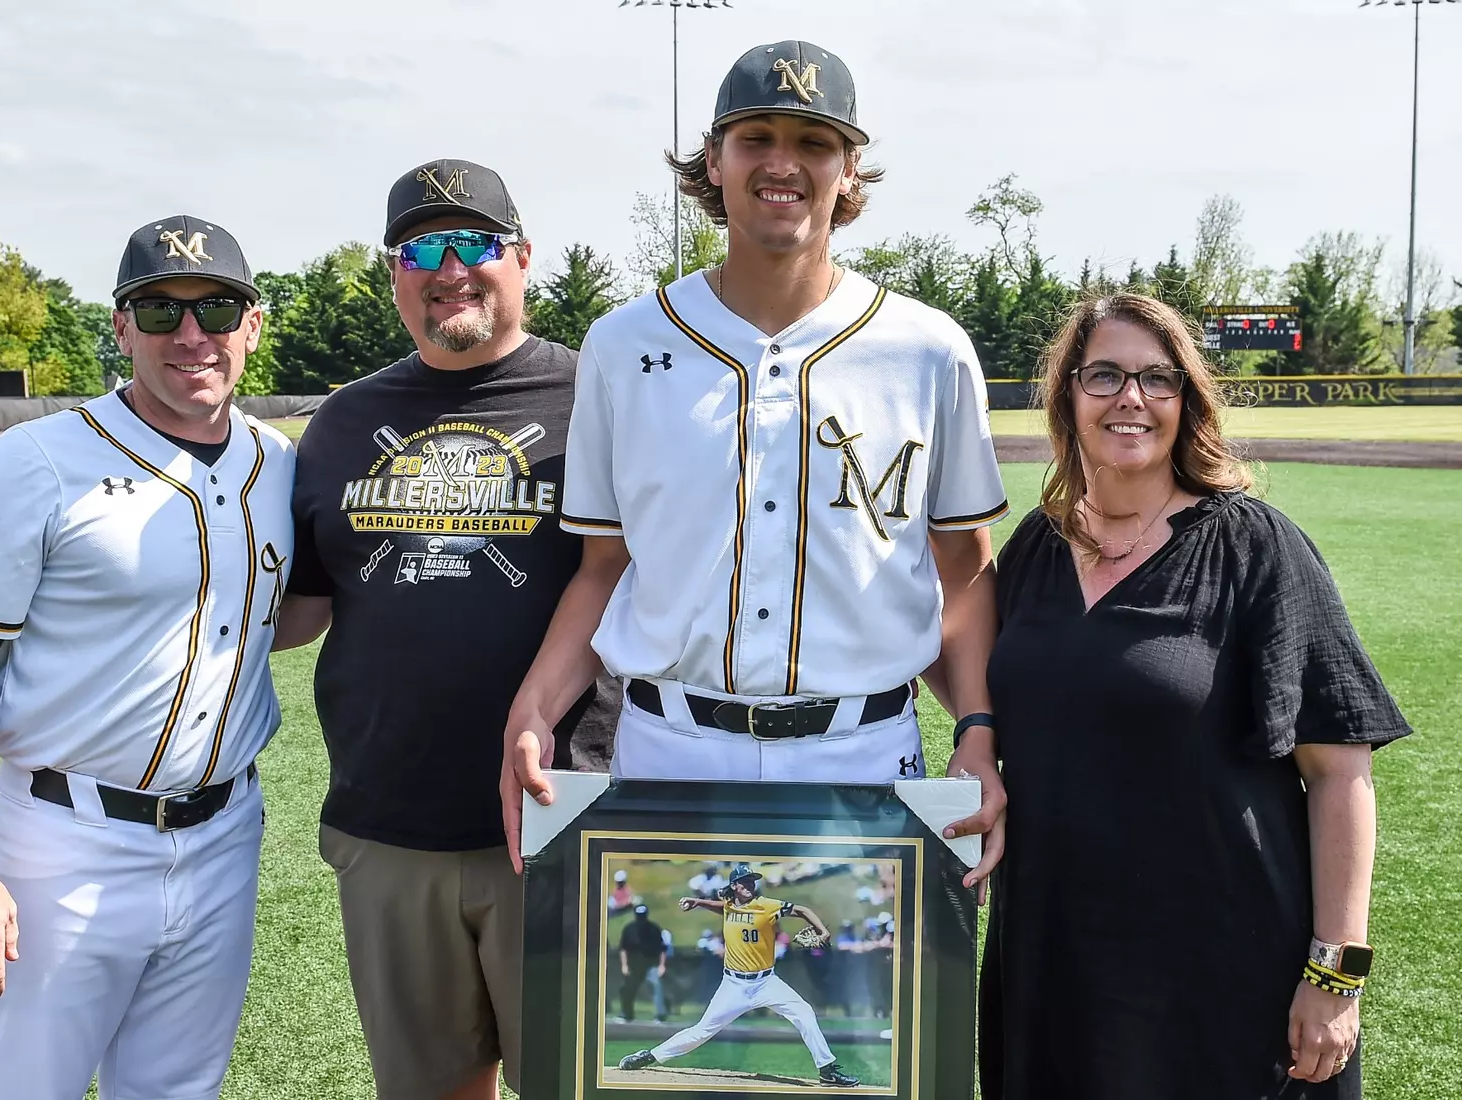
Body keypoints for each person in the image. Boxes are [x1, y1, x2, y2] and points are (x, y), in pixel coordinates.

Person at [502, 39, 1007, 889]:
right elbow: (603, 566)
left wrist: (979, 729)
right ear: (714, 159)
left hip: (864, 755)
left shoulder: (928, 350)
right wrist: (535, 705)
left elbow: (962, 571)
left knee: (856, 1021)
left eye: (814, 142)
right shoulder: (624, 345)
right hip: (668, 749)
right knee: (660, 1016)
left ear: (850, 170)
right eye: (756, 136)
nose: (784, 163)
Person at [0, 215, 295, 1100]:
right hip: (64, 844)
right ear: (121, 329)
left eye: (216, 308)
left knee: (178, 1091)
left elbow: (284, 615)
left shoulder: (278, 464)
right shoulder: (34, 463)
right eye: (160, 311)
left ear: (252, 324)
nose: (192, 335)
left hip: (225, 835)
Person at [977, 294, 1411, 1100]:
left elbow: (1340, 770)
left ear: (1187, 399)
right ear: (1067, 394)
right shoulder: (1037, 545)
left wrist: (1335, 973)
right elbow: (980, 676)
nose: (1130, 398)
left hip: (1220, 960)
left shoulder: (1254, 545)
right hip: (1056, 955)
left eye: (1156, 378)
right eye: (1103, 374)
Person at [272, 158, 618, 1100]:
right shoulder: (345, 421)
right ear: (394, 272)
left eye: (473, 243)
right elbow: (300, 607)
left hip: (562, 811)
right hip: (390, 825)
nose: (449, 268)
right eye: (420, 248)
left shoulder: (602, 398)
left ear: (522, 258)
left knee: (579, 1081)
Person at [619, 863, 858, 1086]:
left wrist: (823, 932)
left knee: (804, 1013)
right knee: (702, 1031)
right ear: (734, 885)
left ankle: (827, 1070)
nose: (750, 885)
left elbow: (803, 910)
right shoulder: (729, 906)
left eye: (752, 881)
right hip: (733, 985)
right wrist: (698, 902)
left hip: (766, 982)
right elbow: (723, 908)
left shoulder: (767, 905)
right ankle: (650, 1056)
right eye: (744, 881)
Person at [617, 904, 668, 1022]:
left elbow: (662, 949)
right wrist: (624, 965)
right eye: (639, 916)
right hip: (634, 965)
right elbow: (623, 948)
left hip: (651, 964)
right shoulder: (629, 929)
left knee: (656, 985)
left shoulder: (654, 929)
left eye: (643, 916)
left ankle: (660, 1015)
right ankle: (626, 1013)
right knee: (628, 988)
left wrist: (662, 965)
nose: (641, 919)